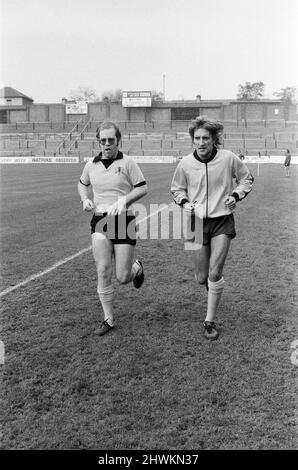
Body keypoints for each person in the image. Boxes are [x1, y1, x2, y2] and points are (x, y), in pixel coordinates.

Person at [171, 116, 254, 340]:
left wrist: (236, 195)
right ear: (193, 140)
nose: (201, 142)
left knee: (215, 272)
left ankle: (209, 321)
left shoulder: (229, 159)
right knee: (201, 277)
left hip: (222, 220)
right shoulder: (185, 163)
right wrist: (185, 203)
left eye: (205, 138)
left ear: (214, 139)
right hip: (196, 223)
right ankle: (212, 289)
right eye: (197, 138)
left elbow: (247, 179)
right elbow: (176, 189)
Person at [78, 120, 148, 336]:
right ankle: (108, 319)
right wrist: (84, 199)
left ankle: (136, 268)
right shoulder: (91, 165)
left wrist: (123, 201)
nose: (107, 144)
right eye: (103, 140)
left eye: (111, 140)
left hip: (123, 222)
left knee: (123, 277)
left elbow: (143, 187)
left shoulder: (128, 163)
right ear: (98, 141)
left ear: (118, 140)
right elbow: (82, 183)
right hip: (100, 221)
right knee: (103, 270)